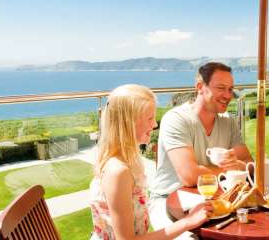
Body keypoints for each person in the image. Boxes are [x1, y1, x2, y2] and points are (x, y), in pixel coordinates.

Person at [90, 84, 212, 240]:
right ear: (128, 123)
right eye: (149, 118)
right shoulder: (117, 172)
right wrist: (188, 222)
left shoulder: (128, 161)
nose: (155, 124)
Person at [149, 62, 254, 234]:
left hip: (214, 199)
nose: (228, 95)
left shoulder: (228, 121)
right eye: (221, 88)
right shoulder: (176, 119)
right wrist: (232, 168)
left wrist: (241, 166)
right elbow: (189, 177)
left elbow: (249, 163)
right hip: (168, 202)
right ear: (200, 87)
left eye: (230, 89)